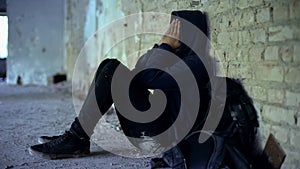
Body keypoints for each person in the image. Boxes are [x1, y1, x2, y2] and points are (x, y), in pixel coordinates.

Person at [29, 10, 268, 168]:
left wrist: (164, 46)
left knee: (112, 69)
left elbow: (146, 76)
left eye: (176, 30)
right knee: (112, 68)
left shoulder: (197, 65)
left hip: (161, 138)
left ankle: (77, 139)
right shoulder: (180, 61)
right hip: (156, 127)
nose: (171, 35)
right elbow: (139, 73)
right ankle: (77, 136)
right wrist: (160, 47)